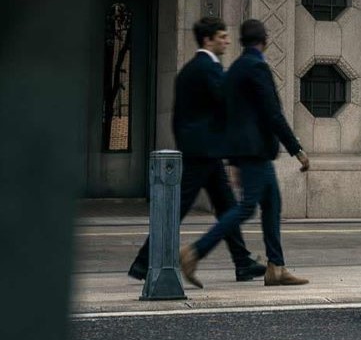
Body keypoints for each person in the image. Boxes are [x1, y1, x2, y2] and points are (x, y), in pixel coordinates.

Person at [128, 17, 265, 282]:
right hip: (203, 153)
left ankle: (242, 261)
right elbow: (227, 104)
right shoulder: (208, 69)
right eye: (222, 36)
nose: (227, 41)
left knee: (227, 205)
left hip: (204, 151)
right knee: (176, 209)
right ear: (207, 40)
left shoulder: (191, 69)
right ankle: (143, 263)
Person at [181, 19, 311, 287]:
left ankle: (276, 266)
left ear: (242, 41)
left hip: (246, 153)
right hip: (256, 152)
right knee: (247, 207)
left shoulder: (235, 69)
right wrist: (296, 149)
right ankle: (195, 252)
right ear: (265, 40)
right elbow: (273, 112)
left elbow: (226, 116)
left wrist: (233, 160)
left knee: (272, 204)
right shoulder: (257, 67)